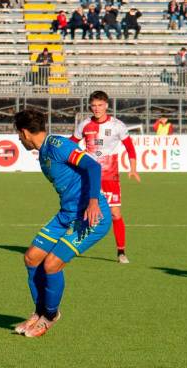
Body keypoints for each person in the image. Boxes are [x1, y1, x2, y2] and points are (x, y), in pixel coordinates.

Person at [12, 109, 112, 338]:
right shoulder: (45, 150)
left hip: (91, 216)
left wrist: (94, 202)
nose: (18, 139)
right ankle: (38, 313)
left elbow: (93, 166)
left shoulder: (56, 144)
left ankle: (50, 315)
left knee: (52, 264)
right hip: (67, 213)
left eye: (18, 134)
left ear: (25, 132)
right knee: (31, 257)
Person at [70, 91, 139, 264]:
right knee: (83, 212)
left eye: (100, 105)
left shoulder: (117, 125)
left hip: (110, 176)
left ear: (106, 105)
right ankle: (73, 245)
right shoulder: (84, 124)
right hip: (87, 175)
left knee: (115, 214)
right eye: (94, 105)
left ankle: (121, 252)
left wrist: (133, 168)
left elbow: (130, 147)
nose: (97, 108)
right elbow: (71, 143)